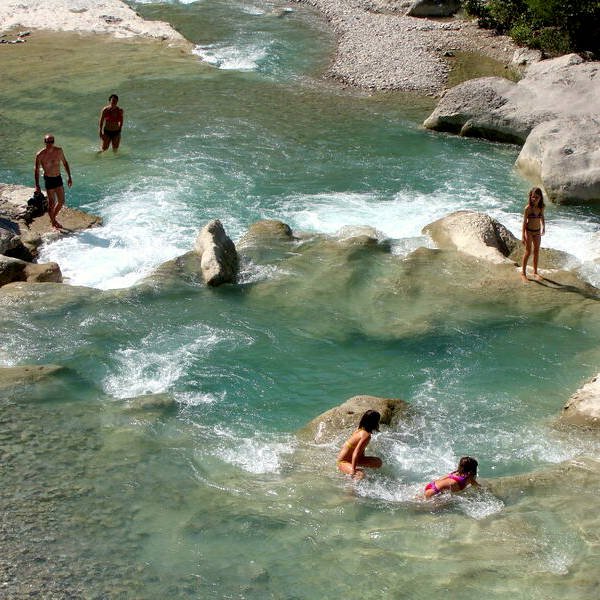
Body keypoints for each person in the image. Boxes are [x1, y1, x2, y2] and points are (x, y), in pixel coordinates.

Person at [34, 134, 72, 229]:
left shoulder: (59, 151)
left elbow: (65, 163)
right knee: (51, 203)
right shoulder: (40, 155)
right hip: (49, 179)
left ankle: (52, 219)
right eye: (48, 142)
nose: (50, 144)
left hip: (58, 178)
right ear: (45, 142)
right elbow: (37, 170)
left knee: (61, 201)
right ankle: (54, 222)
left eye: (52, 141)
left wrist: (69, 177)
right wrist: (37, 185)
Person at [336, 410, 383, 480]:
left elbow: (360, 451)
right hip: (343, 462)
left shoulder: (360, 429)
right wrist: (353, 470)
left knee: (378, 462)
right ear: (374, 422)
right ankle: (351, 490)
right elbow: (356, 452)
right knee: (360, 475)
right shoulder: (366, 435)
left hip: (353, 459)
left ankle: (370, 476)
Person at [521, 187, 545, 282]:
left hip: (537, 231)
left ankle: (535, 272)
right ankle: (523, 273)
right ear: (530, 197)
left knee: (536, 251)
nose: (534, 199)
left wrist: (544, 227)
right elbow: (524, 222)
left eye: (536, 197)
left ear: (540, 197)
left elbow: (542, 217)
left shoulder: (541, 207)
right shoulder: (528, 208)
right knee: (528, 251)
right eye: (533, 197)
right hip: (529, 231)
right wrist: (523, 235)